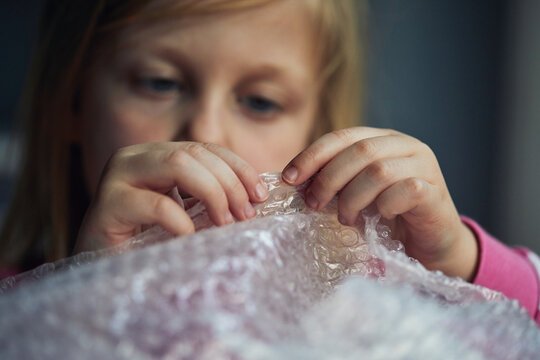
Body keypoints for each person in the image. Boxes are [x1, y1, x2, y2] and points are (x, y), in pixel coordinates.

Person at [0, 0, 538, 325]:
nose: (206, 133)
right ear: (70, 102)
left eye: (260, 101)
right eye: (159, 83)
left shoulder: (358, 294)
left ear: (319, 134)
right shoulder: (15, 313)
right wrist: (86, 297)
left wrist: (455, 260)